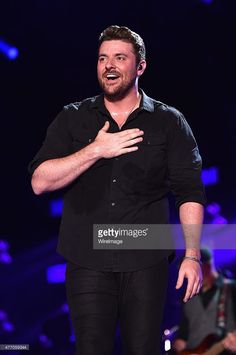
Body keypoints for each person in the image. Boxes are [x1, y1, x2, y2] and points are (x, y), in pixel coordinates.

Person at [28, 25, 206, 355]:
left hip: (146, 256)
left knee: (144, 348)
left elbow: (190, 191)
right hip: (87, 258)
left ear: (140, 66)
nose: (109, 65)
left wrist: (192, 256)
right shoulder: (74, 118)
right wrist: (95, 150)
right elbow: (40, 181)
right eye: (102, 58)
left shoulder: (169, 122)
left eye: (119, 58)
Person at [173, 249, 236, 354]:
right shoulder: (187, 295)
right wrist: (179, 342)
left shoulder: (232, 288)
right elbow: (183, 333)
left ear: (205, 266)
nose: (187, 277)